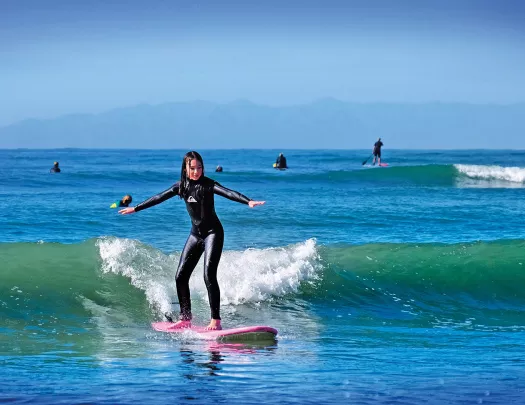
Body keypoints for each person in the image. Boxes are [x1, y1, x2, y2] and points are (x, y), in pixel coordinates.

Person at [119, 151, 265, 330]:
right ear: (186, 169)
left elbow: (228, 192)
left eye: (200, 167)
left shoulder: (208, 184)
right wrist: (136, 208)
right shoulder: (181, 187)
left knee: (208, 274)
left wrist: (247, 201)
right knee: (180, 276)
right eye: (193, 168)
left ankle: (215, 321)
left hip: (213, 233)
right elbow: (159, 197)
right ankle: (185, 318)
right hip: (195, 235)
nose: (197, 171)